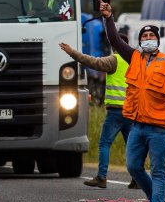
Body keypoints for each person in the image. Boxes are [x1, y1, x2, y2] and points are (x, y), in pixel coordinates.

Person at [99, 0, 165, 202]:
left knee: (158, 171)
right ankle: (156, 200)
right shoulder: (135, 58)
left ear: (158, 41)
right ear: (140, 41)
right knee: (133, 167)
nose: (148, 40)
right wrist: (109, 17)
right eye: (144, 37)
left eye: (152, 37)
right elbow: (114, 40)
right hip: (137, 126)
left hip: (160, 128)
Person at [59, 35, 138, 190]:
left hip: (116, 111)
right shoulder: (135, 61)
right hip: (131, 111)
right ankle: (136, 179)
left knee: (104, 144)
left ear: (115, 46)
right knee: (132, 146)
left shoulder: (114, 60)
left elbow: (92, 62)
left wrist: (72, 53)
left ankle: (102, 177)